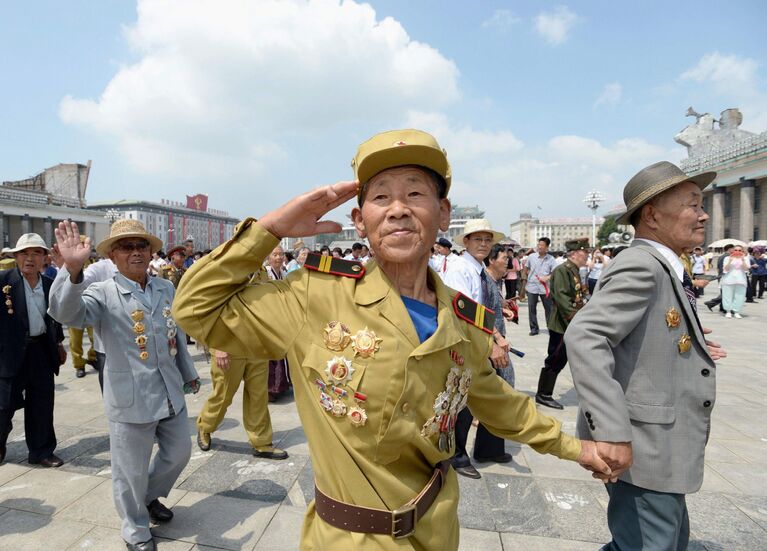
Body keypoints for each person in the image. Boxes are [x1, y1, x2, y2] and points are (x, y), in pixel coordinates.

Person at [173, 128, 612, 550]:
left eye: (415, 194)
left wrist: (577, 448)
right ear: (360, 220)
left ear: (442, 213)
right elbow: (194, 307)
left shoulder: (464, 322)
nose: (398, 209)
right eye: (381, 196)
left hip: (437, 529)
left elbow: (500, 405)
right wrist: (270, 228)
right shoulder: (313, 296)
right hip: (349, 540)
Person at [566, 161, 727, 551]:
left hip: (661, 448)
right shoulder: (643, 263)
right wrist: (611, 432)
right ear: (652, 215)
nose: (703, 214)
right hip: (642, 447)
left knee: (664, 541)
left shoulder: (666, 266)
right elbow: (586, 335)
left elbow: (639, 331)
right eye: (692, 204)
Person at [49, 219, 200, 551]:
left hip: (170, 390)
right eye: (127, 247)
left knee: (179, 453)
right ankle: (135, 527)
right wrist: (71, 272)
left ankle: (146, 497)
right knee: (130, 469)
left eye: (141, 246)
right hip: (130, 396)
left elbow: (176, 335)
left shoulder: (164, 288)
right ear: (113, 255)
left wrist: (187, 371)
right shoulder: (101, 292)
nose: (136, 252)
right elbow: (67, 314)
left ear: (150, 252)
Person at [196, 245, 289, 460]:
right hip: (229, 345)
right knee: (223, 395)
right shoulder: (225, 273)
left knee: (258, 396)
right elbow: (211, 310)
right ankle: (205, 426)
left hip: (256, 345)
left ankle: (261, 442)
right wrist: (217, 346)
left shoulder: (263, 274)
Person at [443, 219, 511, 479]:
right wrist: (493, 337)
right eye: (478, 239)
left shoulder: (478, 269)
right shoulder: (461, 269)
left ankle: (478, 448)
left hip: (478, 340)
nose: (483, 244)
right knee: (461, 401)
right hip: (465, 341)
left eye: (487, 240)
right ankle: (456, 456)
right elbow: (466, 310)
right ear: (467, 242)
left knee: (475, 397)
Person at [0, 233, 66, 468]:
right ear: (16, 257)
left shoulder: (50, 284)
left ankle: (41, 451)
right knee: (3, 404)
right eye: (24, 253)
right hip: (8, 352)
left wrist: (58, 343)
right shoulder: (3, 281)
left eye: (36, 253)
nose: (30, 258)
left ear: (44, 258)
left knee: (42, 402)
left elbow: (55, 318)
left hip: (40, 351)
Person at [534, 239, 589, 410]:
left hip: (570, 322)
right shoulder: (562, 271)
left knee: (563, 358)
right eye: (584, 252)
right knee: (555, 358)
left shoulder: (573, 270)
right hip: (562, 324)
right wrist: (576, 319)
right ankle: (543, 394)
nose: (587, 255)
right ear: (574, 254)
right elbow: (562, 298)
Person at [525, 237, 556, 336]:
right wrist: (528, 277)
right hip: (532, 286)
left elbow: (555, 273)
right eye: (539, 245)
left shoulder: (551, 259)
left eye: (542, 245)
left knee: (549, 309)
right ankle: (534, 328)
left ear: (547, 247)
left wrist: (547, 277)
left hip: (545, 288)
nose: (539, 247)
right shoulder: (531, 257)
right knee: (531, 308)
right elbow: (526, 268)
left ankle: (551, 327)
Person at [721, 245, 751, 318]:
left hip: (741, 280)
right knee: (727, 296)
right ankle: (728, 311)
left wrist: (743, 260)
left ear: (742, 251)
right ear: (733, 251)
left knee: (740, 297)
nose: (737, 252)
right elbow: (725, 269)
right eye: (736, 250)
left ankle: (736, 311)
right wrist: (730, 261)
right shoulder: (727, 258)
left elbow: (746, 269)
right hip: (728, 280)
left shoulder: (746, 258)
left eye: (739, 250)